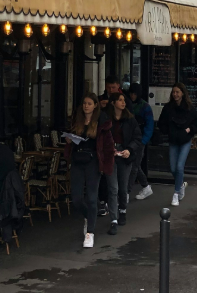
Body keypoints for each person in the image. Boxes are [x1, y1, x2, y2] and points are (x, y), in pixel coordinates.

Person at [63, 93, 115, 247]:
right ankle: (89, 216)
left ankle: (90, 232)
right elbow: (71, 140)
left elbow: (108, 146)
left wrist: (106, 166)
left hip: (93, 162)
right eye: (84, 103)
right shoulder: (76, 120)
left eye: (89, 103)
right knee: (77, 198)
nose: (86, 106)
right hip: (78, 160)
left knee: (92, 198)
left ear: (95, 105)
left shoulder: (102, 122)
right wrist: (69, 140)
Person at [157, 82, 197, 206]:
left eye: (177, 92)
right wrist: (169, 130)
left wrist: (190, 129)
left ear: (182, 93)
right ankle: (180, 184)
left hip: (185, 140)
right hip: (173, 140)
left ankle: (176, 193)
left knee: (180, 167)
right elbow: (161, 123)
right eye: (173, 92)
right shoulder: (168, 108)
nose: (175, 94)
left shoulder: (189, 108)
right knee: (173, 168)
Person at [108, 92, 141, 228]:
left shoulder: (130, 119)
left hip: (125, 154)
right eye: (120, 100)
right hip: (110, 154)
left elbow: (137, 137)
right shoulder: (106, 119)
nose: (123, 102)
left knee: (122, 187)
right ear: (113, 103)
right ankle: (113, 219)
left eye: (124, 100)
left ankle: (122, 211)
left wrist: (129, 149)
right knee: (113, 188)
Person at [129, 84, 156, 200]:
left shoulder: (145, 107)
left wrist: (144, 140)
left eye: (134, 94)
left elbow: (149, 126)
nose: (132, 96)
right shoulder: (130, 105)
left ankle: (127, 192)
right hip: (132, 139)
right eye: (131, 93)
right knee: (135, 165)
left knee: (134, 166)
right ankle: (145, 186)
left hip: (139, 140)